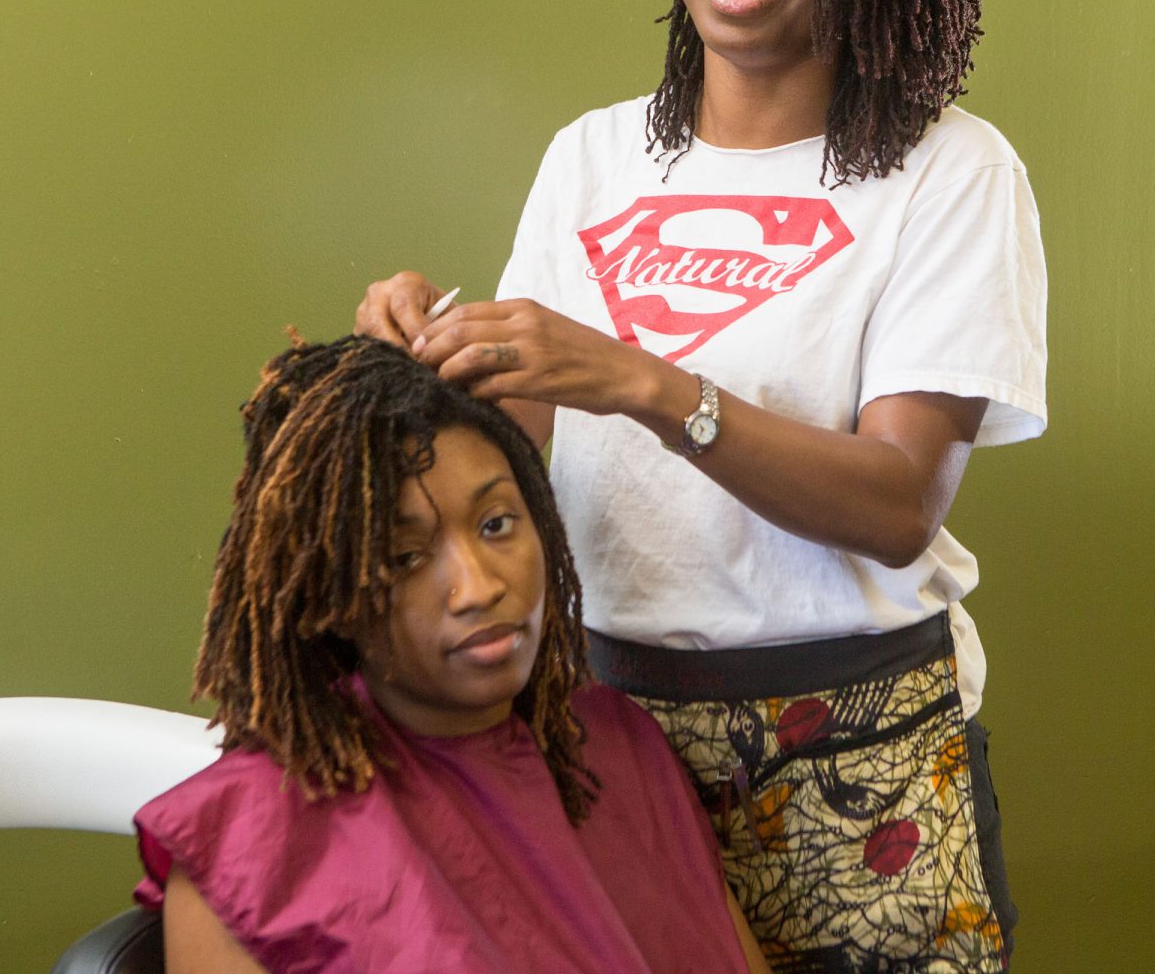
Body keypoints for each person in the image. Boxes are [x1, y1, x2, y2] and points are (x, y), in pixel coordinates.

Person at [356, 0, 1046, 971]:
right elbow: (513, 448)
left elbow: (899, 500)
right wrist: (419, 360)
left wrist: (652, 383)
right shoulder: (597, 157)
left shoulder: (950, 172)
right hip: (608, 739)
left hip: (864, 755)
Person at [133, 334, 771, 974]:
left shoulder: (616, 745)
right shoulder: (252, 842)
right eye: (404, 558)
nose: (480, 587)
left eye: (496, 524)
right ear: (332, 595)